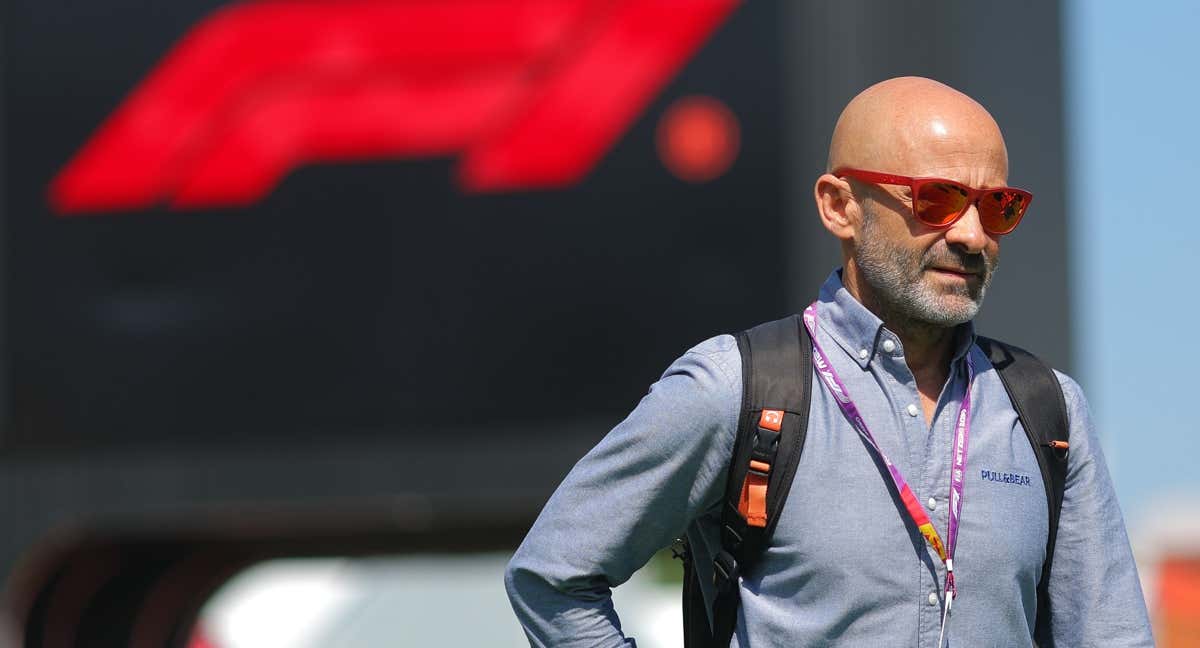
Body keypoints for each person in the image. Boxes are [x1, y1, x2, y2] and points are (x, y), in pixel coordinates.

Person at [504, 77, 1154, 647]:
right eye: (939, 199)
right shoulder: (735, 391)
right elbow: (554, 576)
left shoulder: (1046, 411)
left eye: (998, 207)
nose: (971, 235)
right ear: (839, 205)